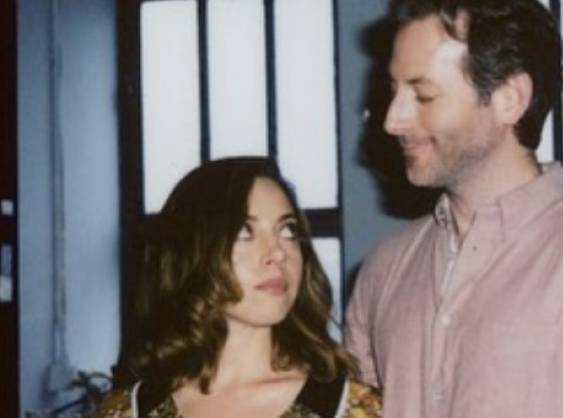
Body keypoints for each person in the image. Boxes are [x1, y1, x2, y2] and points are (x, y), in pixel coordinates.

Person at [344, 1, 563, 417]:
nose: (392, 120)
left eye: (424, 95)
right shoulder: (383, 271)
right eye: (394, 91)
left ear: (510, 99)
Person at [95, 157, 381, 418]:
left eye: (288, 230)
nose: (278, 252)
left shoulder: (352, 407)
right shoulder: (129, 410)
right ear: (193, 252)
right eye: (245, 232)